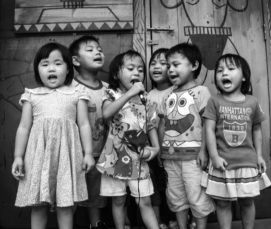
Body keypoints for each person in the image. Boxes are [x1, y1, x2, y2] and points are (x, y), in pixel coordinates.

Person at [11, 42, 94, 229]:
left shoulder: (77, 93)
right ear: (37, 70)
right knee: (38, 204)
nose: (51, 68)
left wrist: (88, 153)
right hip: (38, 157)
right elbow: (24, 127)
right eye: (45, 64)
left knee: (66, 204)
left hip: (67, 156)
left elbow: (84, 124)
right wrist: (18, 156)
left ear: (68, 69)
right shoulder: (31, 95)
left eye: (58, 63)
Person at [202, 54, 271, 229]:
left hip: (247, 162)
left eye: (231, 69)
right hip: (222, 163)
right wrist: (214, 156)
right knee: (223, 203)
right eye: (220, 70)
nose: (224, 73)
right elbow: (208, 130)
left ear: (243, 77)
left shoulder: (252, 102)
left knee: (247, 202)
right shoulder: (214, 101)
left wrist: (259, 156)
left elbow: (257, 129)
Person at [96, 50, 160, 229]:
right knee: (118, 201)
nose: (137, 73)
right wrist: (130, 93)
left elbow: (151, 126)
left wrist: (156, 149)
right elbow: (107, 114)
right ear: (117, 74)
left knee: (144, 201)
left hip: (139, 157)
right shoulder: (111, 93)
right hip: (115, 156)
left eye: (140, 69)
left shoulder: (145, 99)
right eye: (130, 68)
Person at [158, 43, 215, 229]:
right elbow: (162, 124)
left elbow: (208, 123)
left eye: (176, 64)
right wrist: (160, 150)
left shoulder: (201, 92)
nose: (171, 69)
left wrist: (204, 151)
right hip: (170, 157)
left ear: (194, 65)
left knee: (197, 196)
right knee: (175, 197)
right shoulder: (167, 96)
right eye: (169, 66)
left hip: (193, 158)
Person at [69, 35, 108, 229]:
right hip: (74, 156)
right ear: (75, 60)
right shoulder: (70, 89)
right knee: (71, 197)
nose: (98, 52)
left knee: (95, 197)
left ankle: (96, 224)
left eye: (99, 49)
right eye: (90, 50)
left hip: (101, 154)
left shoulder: (109, 90)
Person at [147, 48, 175, 229]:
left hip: (173, 150)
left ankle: (177, 218)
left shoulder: (176, 91)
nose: (156, 67)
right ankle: (159, 221)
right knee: (158, 186)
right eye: (153, 63)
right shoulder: (148, 95)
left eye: (163, 63)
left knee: (174, 186)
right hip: (153, 149)